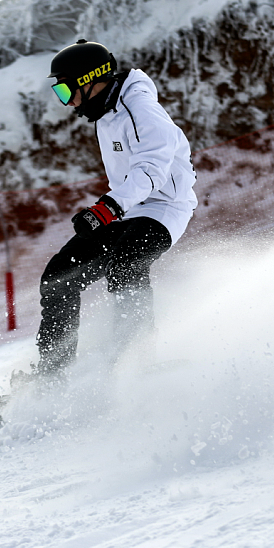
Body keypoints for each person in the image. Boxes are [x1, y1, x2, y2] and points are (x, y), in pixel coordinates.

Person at [34, 39, 197, 378]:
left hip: (165, 207)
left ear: (89, 80)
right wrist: (114, 207)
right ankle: (53, 374)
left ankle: (136, 361)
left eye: (66, 91)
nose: (67, 103)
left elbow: (153, 166)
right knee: (57, 278)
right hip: (129, 207)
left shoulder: (140, 108)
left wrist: (108, 207)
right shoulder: (106, 111)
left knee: (126, 263)